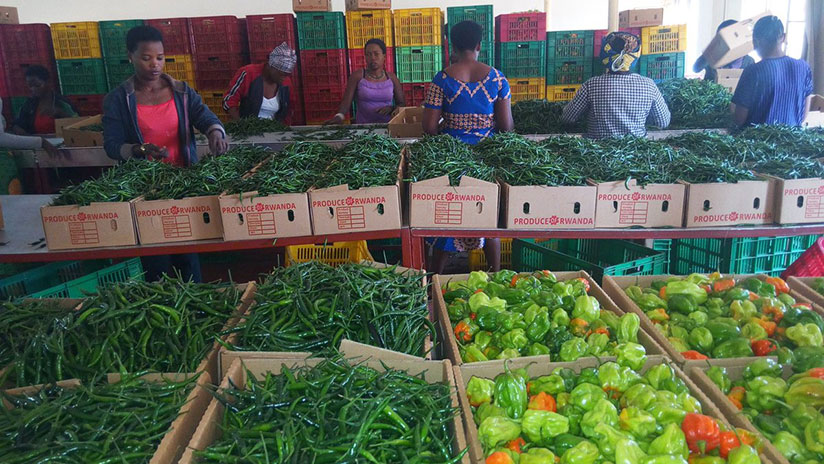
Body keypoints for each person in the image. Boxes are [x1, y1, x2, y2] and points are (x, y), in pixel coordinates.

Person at [103, 25, 228, 283]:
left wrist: (215, 131)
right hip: (145, 192)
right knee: (155, 262)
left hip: (182, 185)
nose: (155, 65)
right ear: (131, 56)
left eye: (160, 58)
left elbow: (205, 116)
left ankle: (194, 314)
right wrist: (138, 150)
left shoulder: (181, 92)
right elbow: (112, 145)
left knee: (188, 260)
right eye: (146, 58)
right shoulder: (119, 99)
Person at [422, 20, 513, 274]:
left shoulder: (442, 79)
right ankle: (496, 275)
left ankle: (434, 283)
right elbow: (506, 127)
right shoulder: (497, 79)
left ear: (453, 45)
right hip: (488, 158)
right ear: (478, 45)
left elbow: (428, 126)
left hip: (453, 159)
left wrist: (450, 130)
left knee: (450, 214)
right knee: (489, 215)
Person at [562, 31, 671, 138]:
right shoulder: (649, 85)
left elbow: (568, 118)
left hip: (598, 151)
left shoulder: (591, 85)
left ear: (605, 52)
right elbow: (663, 122)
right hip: (636, 150)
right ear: (635, 55)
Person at [731, 16, 813, 127]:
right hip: (792, 140)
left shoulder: (753, 71)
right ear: (783, 38)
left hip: (756, 141)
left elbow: (739, 119)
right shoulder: (803, 68)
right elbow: (803, 115)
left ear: (755, 41)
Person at [325, 38, 404, 125]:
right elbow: (346, 102)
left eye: (376, 54)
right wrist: (339, 116)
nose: (372, 58)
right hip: (363, 126)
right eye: (368, 54)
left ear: (384, 56)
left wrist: (392, 108)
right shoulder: (357, 76)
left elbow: (402, 103)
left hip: (388, 126)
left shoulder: (392, 78)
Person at [223, 42, 296, 122]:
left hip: (274, 130)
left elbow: (289, 109)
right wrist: (242, 124)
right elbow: (229, 101)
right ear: (270, 66)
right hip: (247, 129)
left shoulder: (286, 83)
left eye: (286, 75)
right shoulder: (248, 73)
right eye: (281, 74)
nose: (284, 78)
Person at [11, 65, 78, 135]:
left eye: (37, 85)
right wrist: (18, 128)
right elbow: (17, 122)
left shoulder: (62, 102)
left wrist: (60, 113)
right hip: (37, 143)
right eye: (30, 86)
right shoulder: (29, 104)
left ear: (48, 82)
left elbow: (80, 123)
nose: (33, 89)